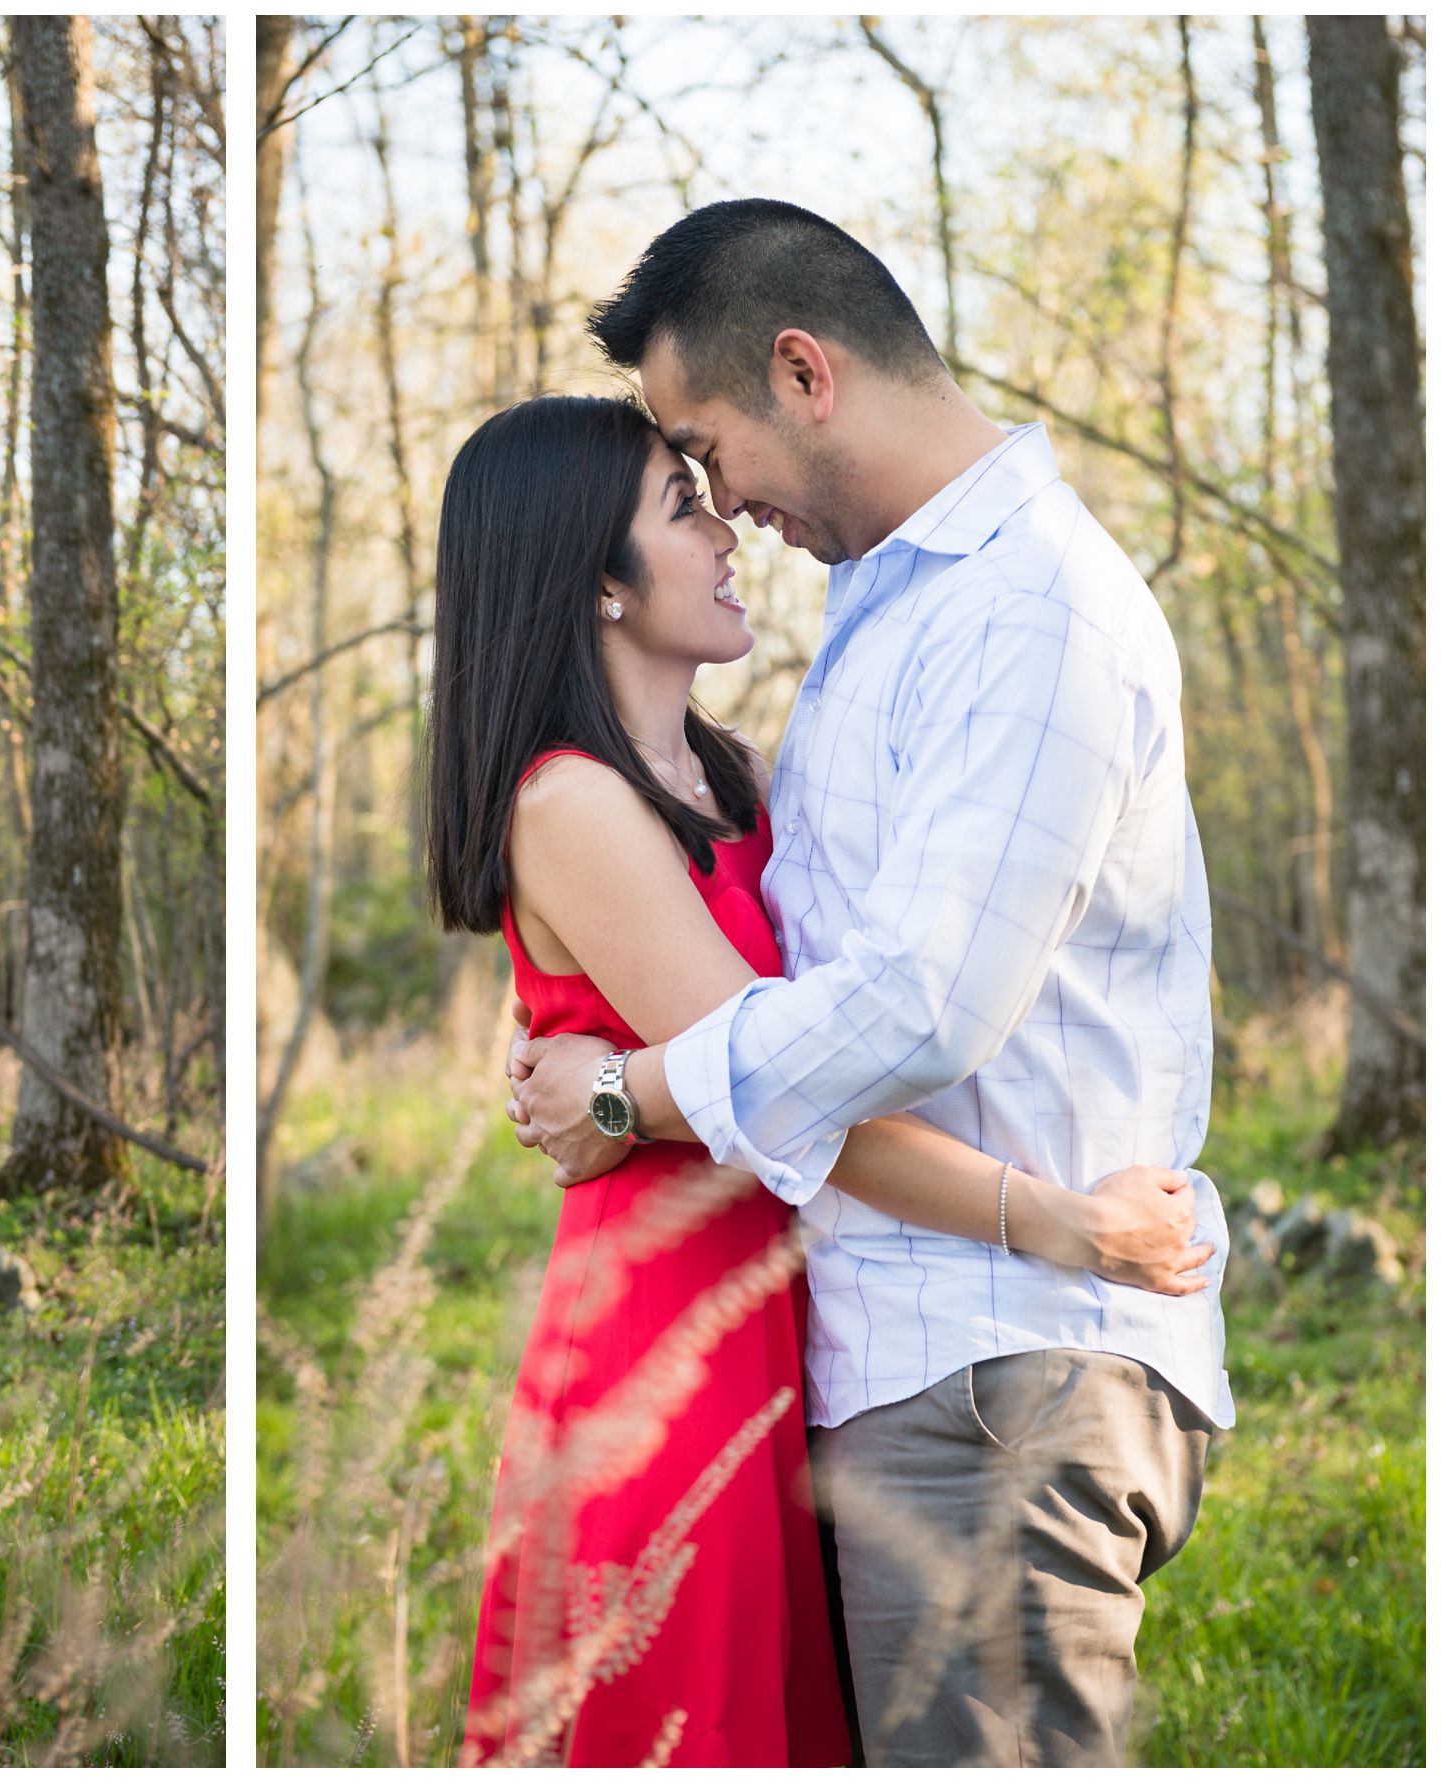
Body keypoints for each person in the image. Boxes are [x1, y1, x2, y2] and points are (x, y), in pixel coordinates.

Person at [508, 199, 1233, 1765]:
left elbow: (920, 1004)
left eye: (707, 446)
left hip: (997, 1367)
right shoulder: (899, 603)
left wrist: (636, 1090)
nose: (722, 497)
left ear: (802, 372)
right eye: (678, 482)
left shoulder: (1027, 601)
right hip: (906, 1355)